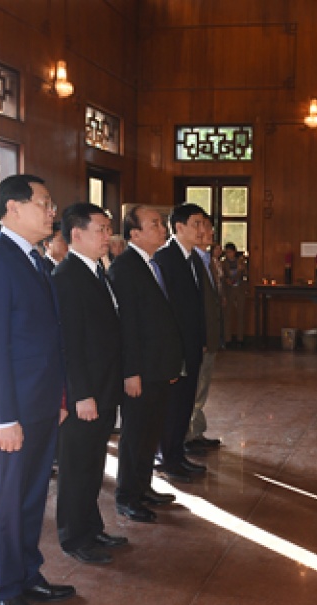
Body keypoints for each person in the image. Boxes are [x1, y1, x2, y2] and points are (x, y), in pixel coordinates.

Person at [0, 174, 74, 605]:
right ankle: (6, 591)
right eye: (44, 204)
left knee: (31, 498)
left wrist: (60, 396)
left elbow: (52, 337)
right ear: (13, 207)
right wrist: (3, 417)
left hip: (42, 403)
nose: (52, 212)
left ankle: (28, 574)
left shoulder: (36, 260)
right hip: (8, 411)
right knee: (7, 503)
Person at [52, 203, 126, 564]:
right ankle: (74, 536)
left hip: (104, 386)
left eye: (108, 229)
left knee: (94, 464)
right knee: (76, 466)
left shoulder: (98, 271)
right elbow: (70, 343)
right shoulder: (66, 277)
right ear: (76, 234)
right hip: (86, 392)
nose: (107, 237)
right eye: (100, 229)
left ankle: (92, 527)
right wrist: (81, 394)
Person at [109, 205, 182, 522]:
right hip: (140, 369)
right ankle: (127, 495)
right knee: (135, 434)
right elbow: (127, 326)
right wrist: (132, 372)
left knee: (151, 432)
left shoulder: (152, 264)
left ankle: (143, 486)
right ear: (134, 233)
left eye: (162, 223)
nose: (162, 228)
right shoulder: (124, 268)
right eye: (154, 224)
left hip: (158, 366)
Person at [153, 203, 207, 482]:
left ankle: (178, 453)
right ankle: (166, 457)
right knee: (172, 406)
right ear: (179, 227)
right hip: (174, 348)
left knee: (185, 403)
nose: (202, 230)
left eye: (203, 224)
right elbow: (165, 310)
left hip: (192, 345)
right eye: (196, 224)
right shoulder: (164, 258)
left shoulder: (194, 259)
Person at [185, 215, 223, 454]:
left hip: (209, 335)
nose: (208, 232)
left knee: (202, 387)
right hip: (199, 337)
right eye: (202, 226)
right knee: (194, 386)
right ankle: (187, 435)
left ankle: (196, 430)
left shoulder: (207, 259)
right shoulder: (191, 261)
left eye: (209, 227)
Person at [221, 242, 248, 347]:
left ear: (234, 252)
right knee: (227, 314)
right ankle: (228, 339)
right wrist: (226, 280)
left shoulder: (240, 262)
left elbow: (246, 275)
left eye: (230, 252)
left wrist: (242, 270)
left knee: (240, 314)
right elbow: (222, 276)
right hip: (229, 290)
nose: (229, 254)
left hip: (239, 289)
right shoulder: (223, 263)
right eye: (227, 252)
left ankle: (240, 339)